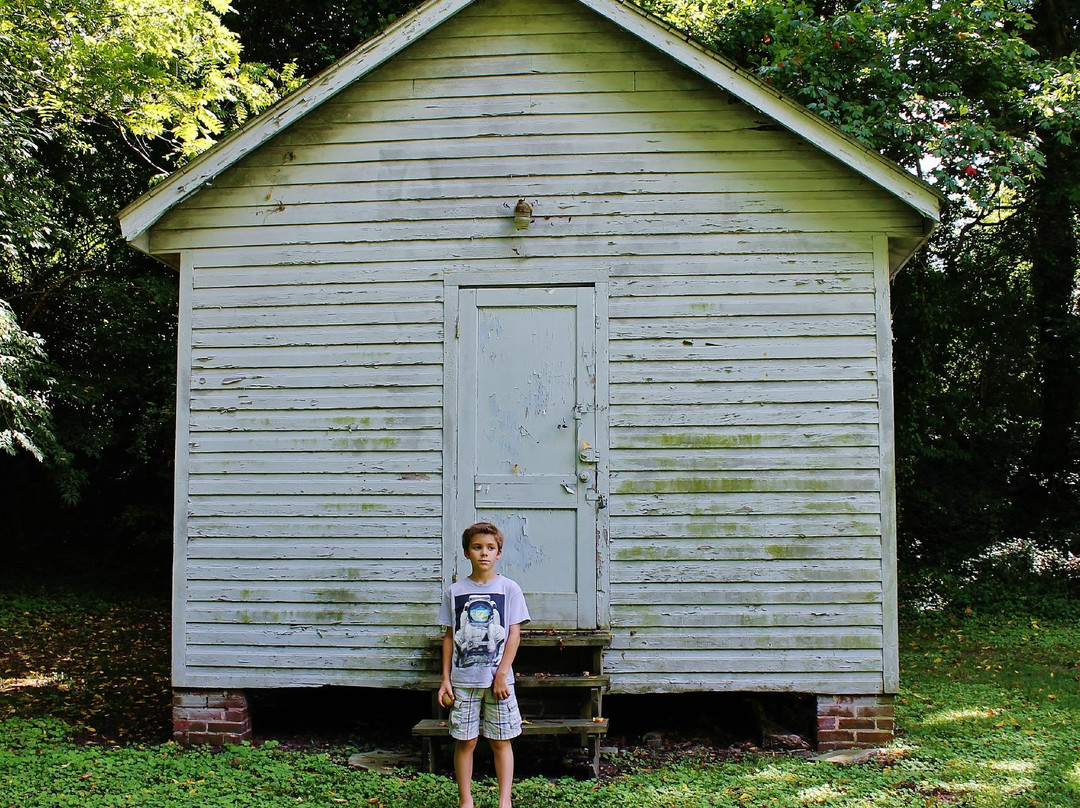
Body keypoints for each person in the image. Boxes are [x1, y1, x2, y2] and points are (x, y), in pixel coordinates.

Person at [437, 521, 531, 808]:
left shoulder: (509, 589)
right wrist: (445, 679)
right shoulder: (455, 591)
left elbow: (514, 634)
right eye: (477, 547)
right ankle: (466, 801)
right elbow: (450, 636)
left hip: (498, 682)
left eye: (490, 548)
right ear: (467, 552)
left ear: (499, 553)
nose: (484, 553)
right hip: (464, 681)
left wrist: (502, 673)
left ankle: (505, 801)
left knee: (501, 740)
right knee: (465, 741)